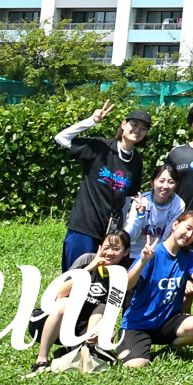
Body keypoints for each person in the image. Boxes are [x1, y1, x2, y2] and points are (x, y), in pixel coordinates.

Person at [53, 102, 150, 271]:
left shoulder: (136, 161)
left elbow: (127, 198)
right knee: (75, 276)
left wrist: (119, 232)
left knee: (99, 280)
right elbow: (61, 138)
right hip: (84, 226)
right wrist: (92, 121)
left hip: (109, 235)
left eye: (143, 128)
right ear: (123, 124)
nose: (137, 130)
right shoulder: (100, 147)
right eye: (134, 125)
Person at [29, 230, 129, 374]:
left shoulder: (120, 277)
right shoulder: (86, 259)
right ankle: (41, 359)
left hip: (79, 325)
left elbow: (100, 309)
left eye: (116, 248)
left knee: (108, 333)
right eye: (106, 247)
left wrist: (90, 334)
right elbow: (59, 294)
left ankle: (74, 351)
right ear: (100, 247)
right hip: (47, 320)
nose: (109, 252)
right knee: (64, 304)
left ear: (125, 252)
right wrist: (90, 267)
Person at [116, 211, 193, 367]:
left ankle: (168, 352)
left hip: (165, 323)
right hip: (137, 324)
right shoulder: (154, 252)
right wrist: (143, 262)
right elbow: (127, 285)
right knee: (135, 366)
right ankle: (135, 349)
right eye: (188, 228)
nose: (189, 235)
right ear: (175, 225)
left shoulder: (188, 256)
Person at [123, 164, 186, 262]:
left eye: (171, 182)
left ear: (176, 185)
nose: (165, 186)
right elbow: (129, 237)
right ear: (152, 183)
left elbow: (168, 236)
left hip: (157, 254)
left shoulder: (179, 205)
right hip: (134, 254)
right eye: (161, 181)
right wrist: (140, 215)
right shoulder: (141, 201)